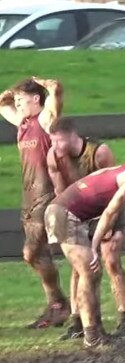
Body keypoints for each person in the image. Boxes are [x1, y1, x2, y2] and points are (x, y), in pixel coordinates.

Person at [44, 147, 125, 348]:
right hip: (65, 215)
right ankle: (92, 337)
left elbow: (96, 177)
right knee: (89, 271)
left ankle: (96, 331)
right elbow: (110, 212)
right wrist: (95, 246)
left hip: (64, 212)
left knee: (92, 273)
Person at [46, 117, 125, 340]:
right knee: (80, 268)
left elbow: (115, 188)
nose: (55, 147)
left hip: (106, 210)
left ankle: (124, 320)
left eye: (59, 142)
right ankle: (79, 322)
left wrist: (109, 224)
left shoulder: (99, 152)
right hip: (77, 212)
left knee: (111, 261)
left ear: (73, 136)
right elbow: (61, 192)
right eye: (52, 142)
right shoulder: (53, 156)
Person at [0, 77, 69, 328]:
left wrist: (49, 84)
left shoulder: (44, 121)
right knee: (39, 254)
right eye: (16, 101)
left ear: (36, 99)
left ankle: (60, 304)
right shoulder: (23, 122)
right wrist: (10, 94)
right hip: (28, 196)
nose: (17, 105)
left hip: (46, 194)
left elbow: (57, 94)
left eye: (22, 100)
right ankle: (56, 307)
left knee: (30, 253)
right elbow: (1, 105)